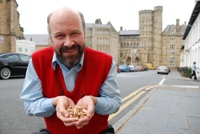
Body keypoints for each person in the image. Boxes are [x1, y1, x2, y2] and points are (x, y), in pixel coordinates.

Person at [20, 7, 121, 134]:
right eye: (60, 35)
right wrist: (55, 102)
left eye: (75, 33)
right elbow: (30, 105)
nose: (68, 43)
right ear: (51, 38)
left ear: (84, 33)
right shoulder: (37, 60)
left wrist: (94, 101)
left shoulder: (104, 61)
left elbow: (114, 102)